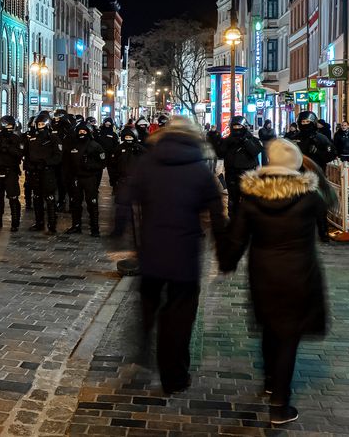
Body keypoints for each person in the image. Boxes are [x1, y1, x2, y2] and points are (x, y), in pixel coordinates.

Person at [219, 139, 329, 427]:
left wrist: (227, 262)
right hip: (299, 272)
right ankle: (279, 403)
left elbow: (237, 236)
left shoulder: (253, 197)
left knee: (271, 326)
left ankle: (270, 379)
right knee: (288, 336)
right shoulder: (310, 196)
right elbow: (325, 218)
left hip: (264, 271)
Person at [116, 117, 226, 395]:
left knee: (148, 306)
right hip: (185, 254)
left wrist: (117, 232)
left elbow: (124, 199)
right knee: (179, 317)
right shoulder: (200, 169)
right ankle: (174, 375)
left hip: (152, 250)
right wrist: (224, 249)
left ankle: (143, 350)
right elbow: (217, 212)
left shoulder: (148, 163)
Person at [215, 116, 263, 215]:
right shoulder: (228, 140)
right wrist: (226, 142)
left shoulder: (252, 139)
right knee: (233, 199)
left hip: (248, 173)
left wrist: (245, 141)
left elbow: (255, 151)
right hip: (231, 173)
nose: (237, 129)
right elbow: (220, 153)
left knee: (249, 198)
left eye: (239, 126)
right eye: (235, 126)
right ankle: (233, 220)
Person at [66, 121, 106, 236]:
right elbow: (68, 163)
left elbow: (102, 162)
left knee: (92, 203)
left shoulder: (95, 146)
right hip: (76, 178)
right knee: (75, 203)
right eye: (80, 131)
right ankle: (76, 225)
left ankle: (94, 228)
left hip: (90, 178)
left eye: (84, 131)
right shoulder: (73, 145)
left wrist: (91, 166)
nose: (82, 133)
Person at [24, 111, 61, 233]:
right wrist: (30, 166)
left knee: (50, 198)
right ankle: (39, 222)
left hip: (47, 171)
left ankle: (51, 224)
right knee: (37, 198)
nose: (40, 126)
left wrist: (46, 162)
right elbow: (27, 154)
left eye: (42, 124)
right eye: (38, 124)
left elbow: (58, 156)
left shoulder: (53, 138)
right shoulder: (32, 138)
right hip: (35, 171)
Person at [0, 115, 23, 231]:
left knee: (13, 196)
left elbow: (20, 154)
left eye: (10, 125)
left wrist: (9, 148)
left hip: (11, 170)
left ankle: (15, 221)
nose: (8, 127)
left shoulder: (16, 138)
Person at [110, 130, 147, 236]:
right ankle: (119, 229)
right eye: (126, 138)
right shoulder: (119, 149)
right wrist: (114, 179)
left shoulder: (140, 149)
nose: (128, 140)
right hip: (123, 180)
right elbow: (113, 164)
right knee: (122, 206)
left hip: (138, 181)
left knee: (140, 206)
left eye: (130, 138)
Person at [96, 118, 120, 186]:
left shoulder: (114, 134)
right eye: (106, 122)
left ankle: (114, 185)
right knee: (98, 171)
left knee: (112, 171)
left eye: (109, 123)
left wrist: (114, 154)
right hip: (100, 155)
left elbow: (116, 145)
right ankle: (96, 186)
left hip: (110, 155)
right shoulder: (99, 133)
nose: (107, 124)